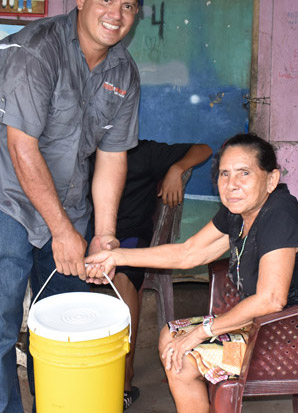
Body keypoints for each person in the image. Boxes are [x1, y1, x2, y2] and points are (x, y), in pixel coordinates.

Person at [0, 0, 143, 413]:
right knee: (0, 315)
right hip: (7, 194)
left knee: (64, 313)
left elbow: (112, 156)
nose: (116, 14)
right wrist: (62, 233)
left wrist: (102, 234)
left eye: (128, 5)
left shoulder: (123, 72)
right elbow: (23, 150)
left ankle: (59, 404)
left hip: (66, 193)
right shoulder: (33, 52)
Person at [86, 133, 298, 413]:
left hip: (297, 338)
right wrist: (115, 256)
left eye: (244, 173)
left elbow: (271, 300)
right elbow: (188, 252)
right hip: (264, 327)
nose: (231, 185)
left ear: (271, 179)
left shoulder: (279, 214)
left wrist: (201, 333)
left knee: (185, 361)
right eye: (224, 174)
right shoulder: (239, 212)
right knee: (171, 335)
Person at [104, 140, 212, 409]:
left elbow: (203, 149)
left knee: (123, 278)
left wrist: (177, 167)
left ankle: (124, 377)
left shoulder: (143, 151)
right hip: (88, 234)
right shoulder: (82, 150)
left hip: (130, 236)